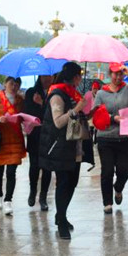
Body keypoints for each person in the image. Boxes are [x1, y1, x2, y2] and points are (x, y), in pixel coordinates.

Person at [39, 62, 87, 240]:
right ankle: (61, 222)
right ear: (75, 77)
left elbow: (78, 117)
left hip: (75, 145)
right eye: (80, 76)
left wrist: (91, 111)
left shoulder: (73, 94)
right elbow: (58, 121)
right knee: (64, 183)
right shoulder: (57, 95)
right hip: (60, 146)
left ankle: (62, 215)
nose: (81, 79)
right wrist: (77, 108)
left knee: (72, 182)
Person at [93, 62, 128, 214]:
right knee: (107, 171)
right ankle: (107, 203)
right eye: (115, 74)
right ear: (110, 74)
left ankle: (118, 188)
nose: (118, 77)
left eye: (120, 74)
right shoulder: (101, 93)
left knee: (124, 171)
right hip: (106, 137)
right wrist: (112, 118)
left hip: (124, 138)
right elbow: (97, 114)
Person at [0, 76, 27, 216]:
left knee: (11, 172)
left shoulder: (20, 100)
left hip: (15, 140)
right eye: (11, 84)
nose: (14, 87)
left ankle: (8, 200)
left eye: (17, 84)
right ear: (5, 84)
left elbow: (25, 116)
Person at [23, 74, 54, 211]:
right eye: (44, 76)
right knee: (34, 165)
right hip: (35, 135)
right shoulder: (31, 93)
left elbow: (54, 115)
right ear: (40, 77)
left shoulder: (55, 93)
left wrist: (42, 104)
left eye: (50, 76)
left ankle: (43, 197)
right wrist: (38, 106)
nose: (47, 79)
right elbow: (28, 113)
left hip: (50, 136)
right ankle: (32, 191)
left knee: (47, 167)